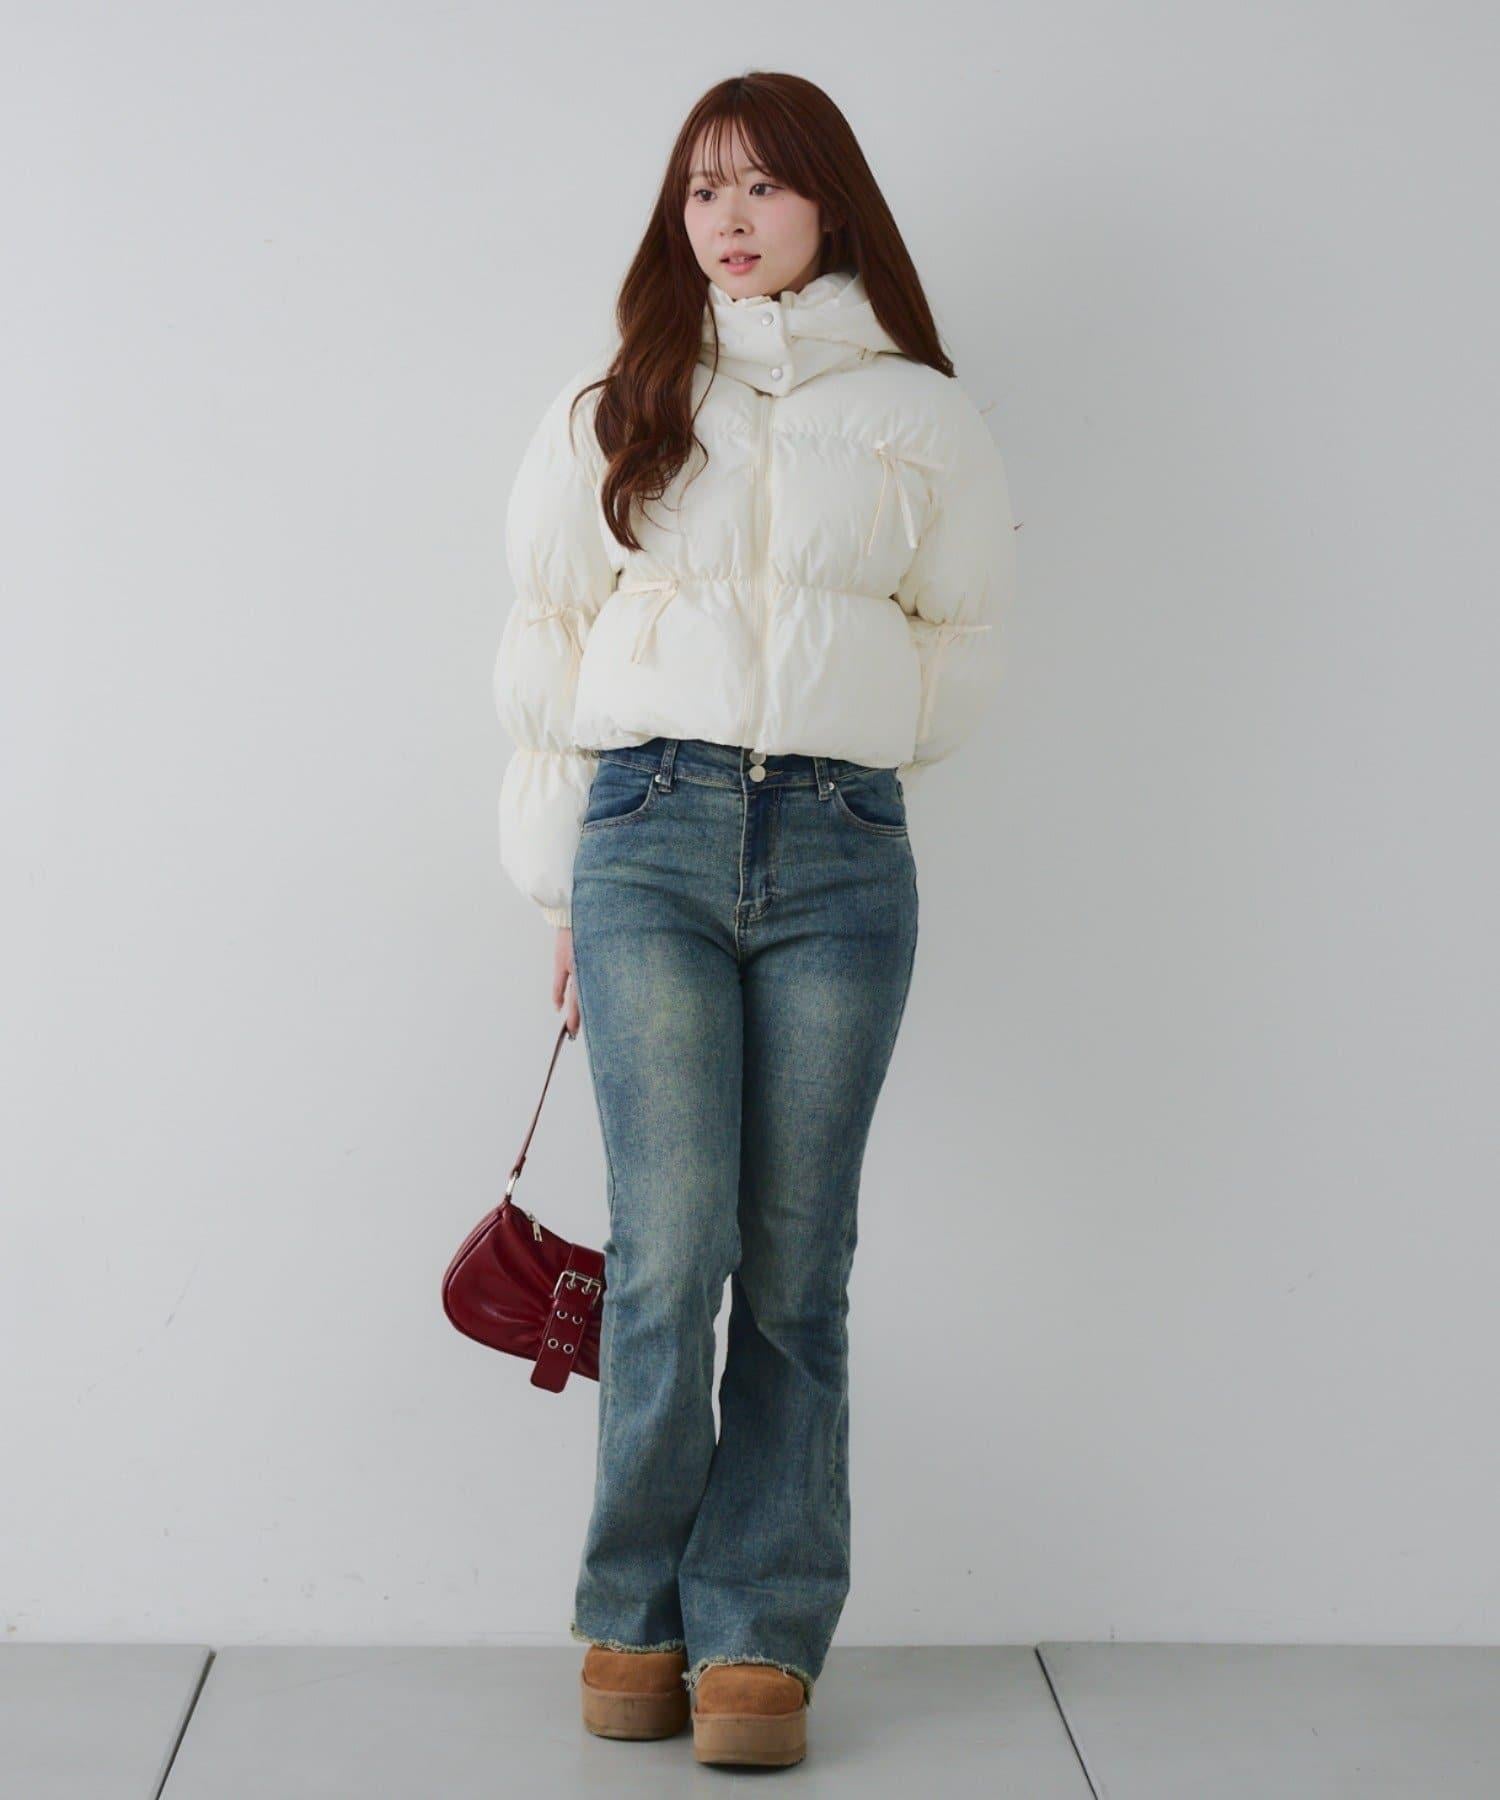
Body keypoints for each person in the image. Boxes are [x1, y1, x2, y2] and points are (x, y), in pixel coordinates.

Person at [491, 71, 1016, 1769]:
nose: (728, 217)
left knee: (798, 1264)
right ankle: (634, 1614)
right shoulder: (622, 399)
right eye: (702, 188)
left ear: (828, 204)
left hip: (843, 854)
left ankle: (760, 1636)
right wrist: (560, 878)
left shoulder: (921, 414)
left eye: (764, 186)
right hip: (645, 836)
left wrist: (856, 756)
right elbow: (546, 640)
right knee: (668, 1253)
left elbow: (962, 631)